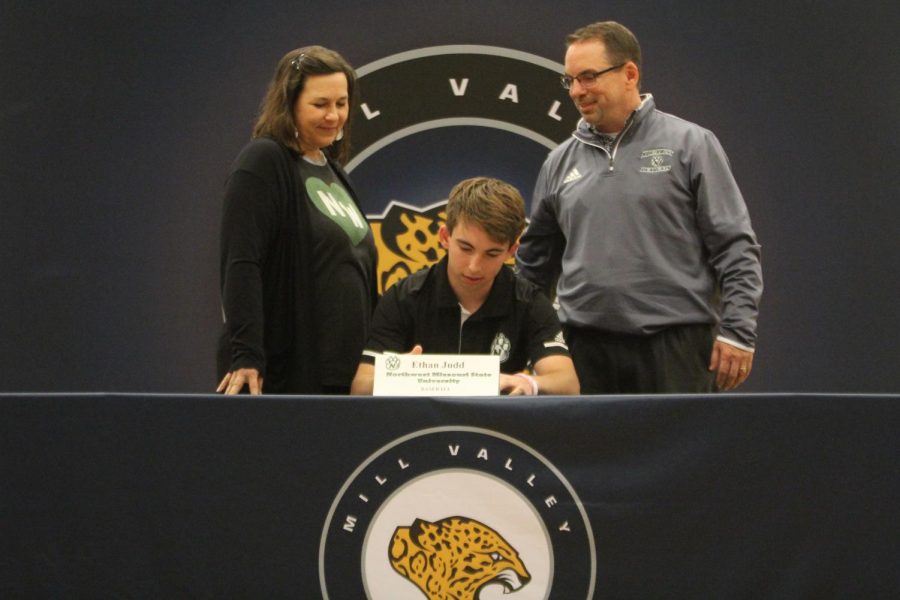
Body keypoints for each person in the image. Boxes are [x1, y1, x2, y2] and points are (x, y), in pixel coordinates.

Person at [516, 22, 763, 394]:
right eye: (570, 81)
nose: (577, 91)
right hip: (583, 350)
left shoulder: (691, 145)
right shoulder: (558, 162)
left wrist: (739, 331)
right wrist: (524, 343)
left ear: (629, 74)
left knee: (680, 453)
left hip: (677, 349)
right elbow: (534, 269)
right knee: (588, 454)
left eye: (588, 77)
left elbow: (735, 247)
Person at [216, 46, 377, 395]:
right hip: (285, 377)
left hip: (342, 378)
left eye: (341, 103)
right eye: (320, 104)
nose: (333, 116)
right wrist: (246, 355)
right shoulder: (263, 161)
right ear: (288, 103)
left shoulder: (334, 171)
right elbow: (241, 262)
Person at [350, 177, 579, 396]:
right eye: (465, 248)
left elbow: (567, 383)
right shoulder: (402, 298)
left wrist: (529, 382)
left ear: (511, 251)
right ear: (444, 237)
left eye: (492, 253)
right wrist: (401, 376)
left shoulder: (529, 302)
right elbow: (361, 386)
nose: (474, 266)